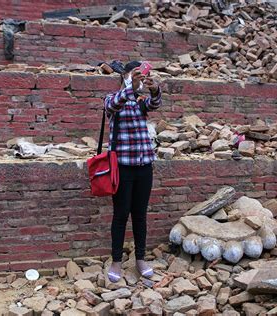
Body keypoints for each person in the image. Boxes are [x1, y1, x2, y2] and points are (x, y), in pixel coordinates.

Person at [103, 61, 162, 282]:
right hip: (123, 167)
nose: (139, 79)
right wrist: (129, 84)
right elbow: (113, 106)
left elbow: (154, 104)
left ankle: (140, 259)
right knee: (120, 215)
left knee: (140, 215)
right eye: (134, 75)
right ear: (126, 76)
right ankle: (116, 261)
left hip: (144, 166)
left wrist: (154, 89)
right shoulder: (112, 99)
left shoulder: (138, 101)